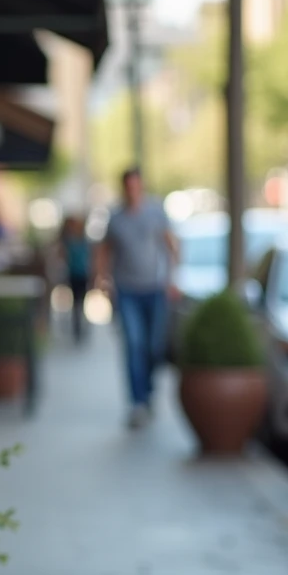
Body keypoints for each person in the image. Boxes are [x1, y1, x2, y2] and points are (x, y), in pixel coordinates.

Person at [95, 168, 178, 428]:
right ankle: (137, 402)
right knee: (133, 343)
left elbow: (171, 245)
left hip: (155, 289)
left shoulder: (155, 212)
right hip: (127, 290)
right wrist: (102, 280)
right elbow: (104, 251)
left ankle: (149, 390)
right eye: (128, 186)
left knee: (153, 346)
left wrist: (172, 279)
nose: (132, 191)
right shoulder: (116, 218)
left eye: (136, 186)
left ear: (141, 186)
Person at [59, 215, 91, 343]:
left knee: (81, 301)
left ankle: (80, 325)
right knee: (75, 302)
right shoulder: (68, 241)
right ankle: (76, 326)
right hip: (73, 274)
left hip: (83, 274)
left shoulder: (84, 241)